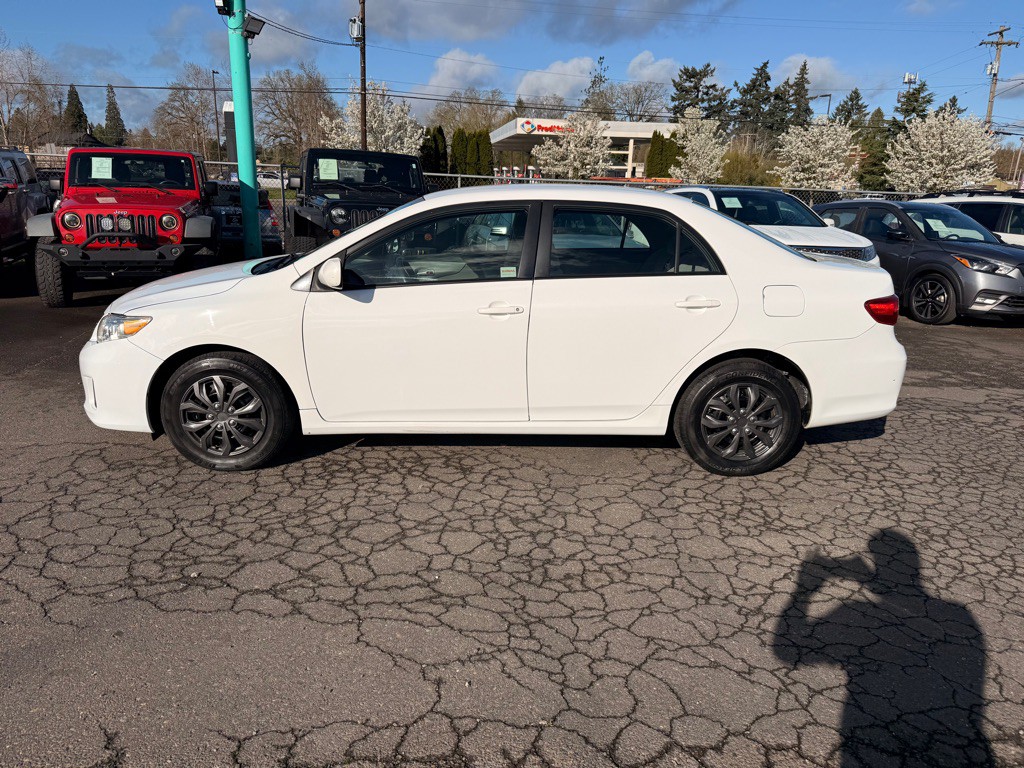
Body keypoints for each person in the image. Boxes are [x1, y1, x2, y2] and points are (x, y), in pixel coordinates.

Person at [773, 529, 992, 767]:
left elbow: (786, 650)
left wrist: (804, 590)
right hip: (963, 752)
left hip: (869, 743)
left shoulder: (856, 612)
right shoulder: (957, 614)